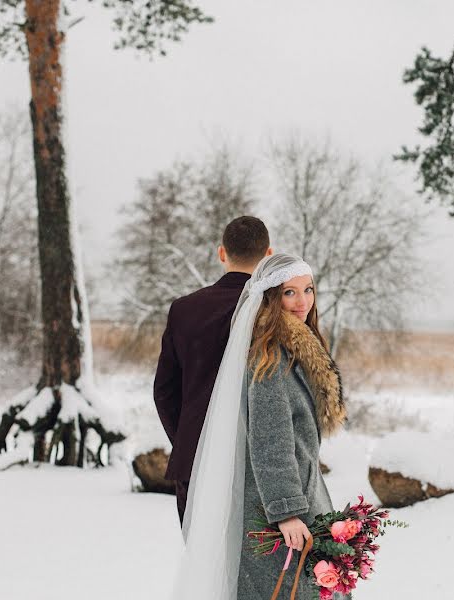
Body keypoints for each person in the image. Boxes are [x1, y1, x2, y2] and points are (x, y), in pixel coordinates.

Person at [170, 253, 350, 600]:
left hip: (302, 498)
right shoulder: (269, 359)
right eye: (290, 292)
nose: (303, 301)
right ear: (270, 297)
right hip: (278, 512)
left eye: (308, 290)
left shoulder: (293, 350)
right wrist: (286, 513)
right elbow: (270, 442)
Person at [153, 216, 272, 526]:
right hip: (258, 465)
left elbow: (164, 391)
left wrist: (190, 438)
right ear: (268, 255)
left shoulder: (185, 309)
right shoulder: (275, 310)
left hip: (194, 460)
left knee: (201, 566)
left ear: (222, 253)